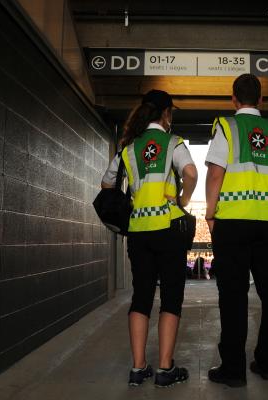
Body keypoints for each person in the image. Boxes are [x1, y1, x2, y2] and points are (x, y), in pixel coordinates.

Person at [101, 89, 197, 388]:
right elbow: (191, 173)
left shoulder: (128, 148)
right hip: (169, 228)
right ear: (166, 114)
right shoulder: (173, 143)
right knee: (171, 297)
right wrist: (182, 198)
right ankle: (166, 369)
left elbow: (106, 183)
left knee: (141, 297)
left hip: (139, 231)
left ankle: (138, 367)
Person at [204, 74, 268, 387]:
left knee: (233, 296)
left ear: (233, 99)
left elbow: (216, 174)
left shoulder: (227, 129)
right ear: (261, 100)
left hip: (232, 224)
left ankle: (233, 370)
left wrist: (210, 213)